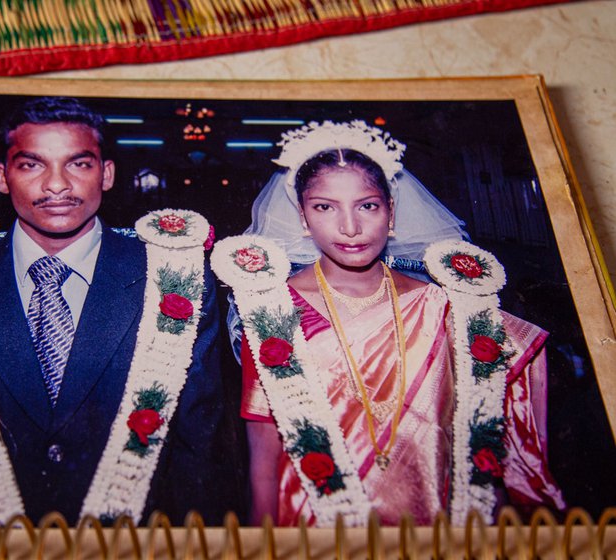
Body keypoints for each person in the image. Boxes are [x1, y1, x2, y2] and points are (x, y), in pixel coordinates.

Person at [0, 97, 231, 526]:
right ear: (2, 177)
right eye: (32, 165)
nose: (56, 185)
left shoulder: (174, 281)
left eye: (79, 164)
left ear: (107, 173)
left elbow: (199, 449)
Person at [212, 120, 564, 527]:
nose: (350, 228)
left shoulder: (446, 307)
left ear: (391, 212)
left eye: (367, 205)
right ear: (304, 219)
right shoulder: (273, 309)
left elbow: (491, 435)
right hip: (313, 524)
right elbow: (264, 455)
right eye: (324, 207)